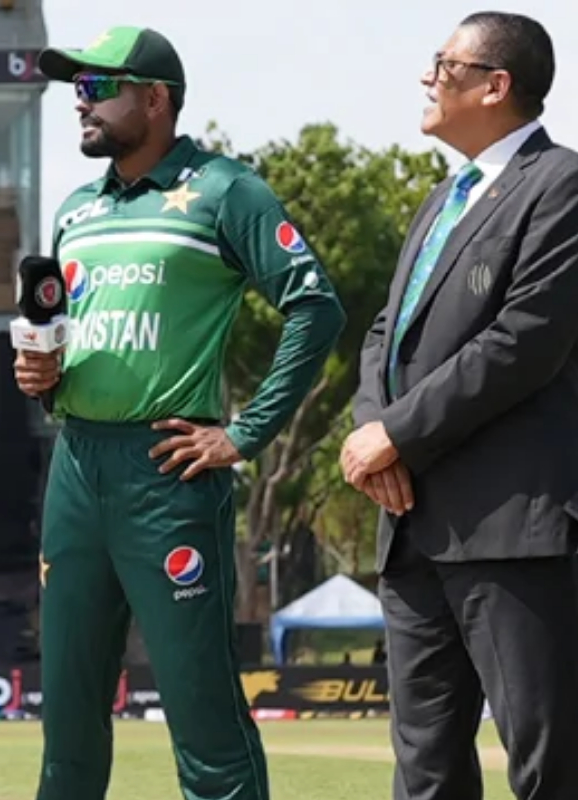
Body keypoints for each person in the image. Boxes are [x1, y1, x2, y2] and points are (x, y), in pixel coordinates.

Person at [16, 25, 346, 800]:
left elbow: (316, 308)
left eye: (99, 88)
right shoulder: (77, 209)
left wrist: (246, 432)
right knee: (65, 717)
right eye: (77, 89)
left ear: (156, 99)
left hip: (167, 473)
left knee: (201, 714)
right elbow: (70, 339)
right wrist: (41, 374)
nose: (81, 104)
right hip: (76, 466)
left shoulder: (226, 190)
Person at [339, 12, 578, 800]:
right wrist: (372, 429)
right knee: (427, 768)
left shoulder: (561, 186)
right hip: (411, 533)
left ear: (496, 84)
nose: (427, 77)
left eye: (444, 64)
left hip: (509, 529)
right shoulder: (444, 197)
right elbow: (387, 331)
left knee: (547, 761)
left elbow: (523, 342)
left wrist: (398, 435)